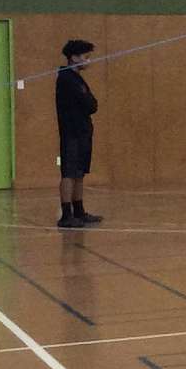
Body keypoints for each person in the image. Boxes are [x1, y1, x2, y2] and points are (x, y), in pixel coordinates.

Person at [55, 39, 102, 228]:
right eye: (86, 57)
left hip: (82, 132)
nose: (88, 61)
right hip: (71, 133)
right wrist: (89, 102)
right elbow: (89, 104)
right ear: (74, 58)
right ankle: (66, 215)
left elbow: (92, 104)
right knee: (69, 172)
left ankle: (79, 211)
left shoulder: (77, 78)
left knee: (80, 172)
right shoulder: (67, 78)